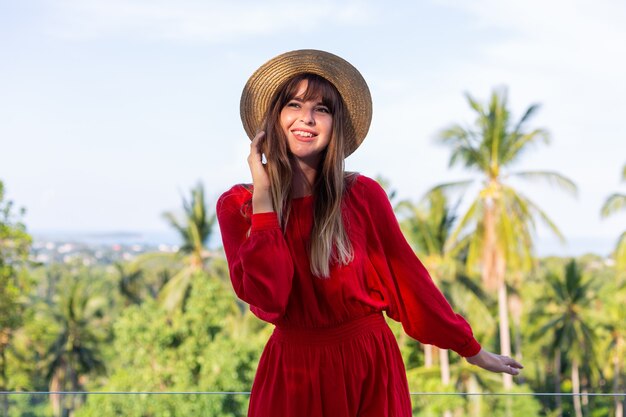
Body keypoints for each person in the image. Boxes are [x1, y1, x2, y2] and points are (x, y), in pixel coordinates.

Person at [216, 49, 523, 417]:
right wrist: (265, 198)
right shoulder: (239, 207)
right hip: (293, 374)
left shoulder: (363, 196)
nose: (307, 119)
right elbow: (270, 297)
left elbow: (410, 284)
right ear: (274, 117)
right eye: (294, 105)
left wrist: (470, 348)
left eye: (322, 109)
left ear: (335, 125)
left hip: (368, 367)